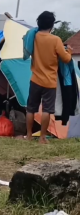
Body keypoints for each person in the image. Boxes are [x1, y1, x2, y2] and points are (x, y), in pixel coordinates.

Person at [26, 11, 72, 144]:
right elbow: (66, 59)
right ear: (52, 25)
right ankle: (42, 138)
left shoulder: (34, 37)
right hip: (49, 82)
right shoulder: (55, 40)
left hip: (35, 79)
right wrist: (69, 51)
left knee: (31, 108)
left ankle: (29, 136)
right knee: (47, 109)